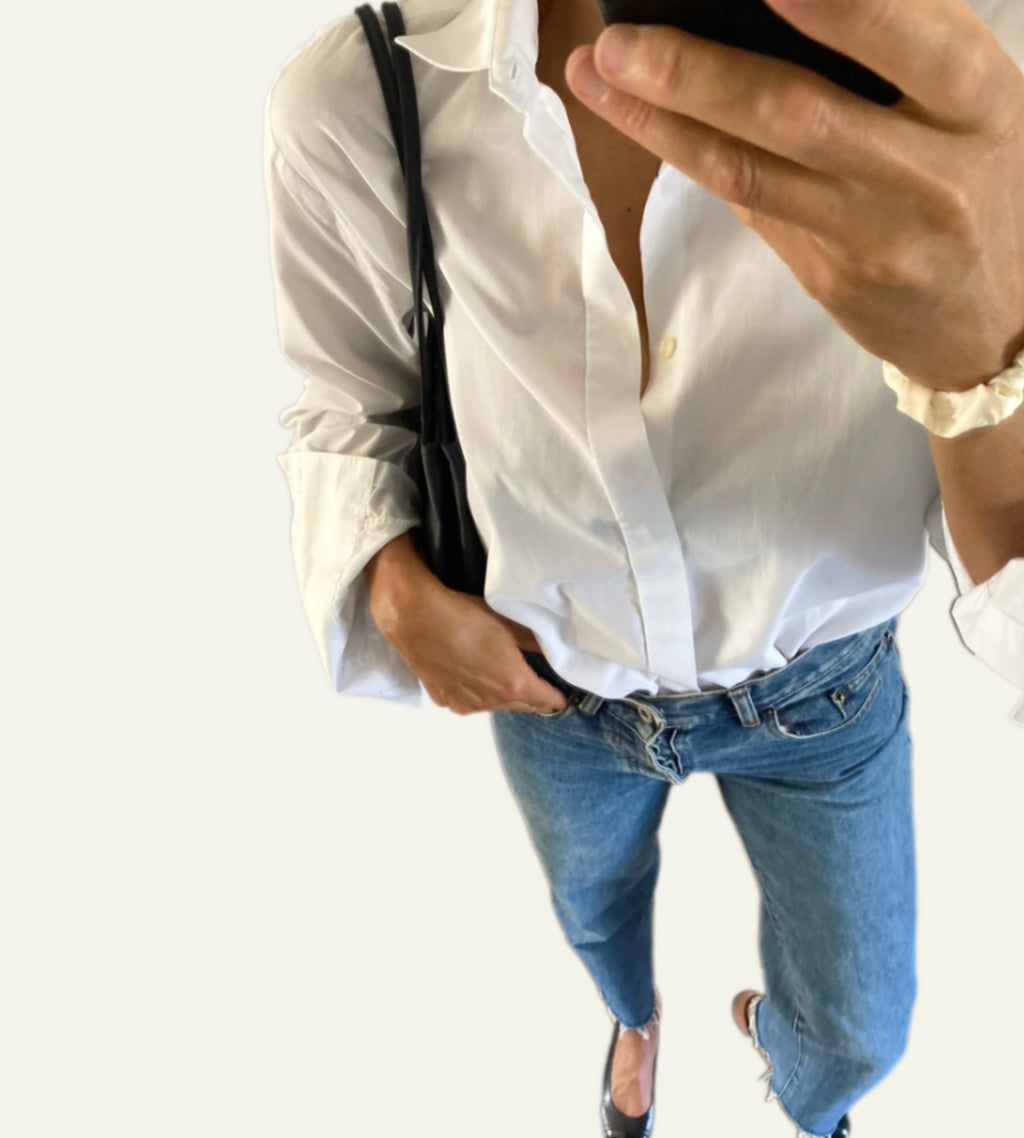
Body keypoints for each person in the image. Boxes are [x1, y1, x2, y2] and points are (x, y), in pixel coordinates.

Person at [262, 1, 1024, 1135]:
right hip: (552, 686)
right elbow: (347, 395)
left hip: (825, 689)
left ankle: (795, 1074)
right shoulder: (367, 84)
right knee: (594, 912)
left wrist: (990, 360)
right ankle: (633, 1014)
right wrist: (380, 573)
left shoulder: (989, 64)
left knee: (862, 1028)